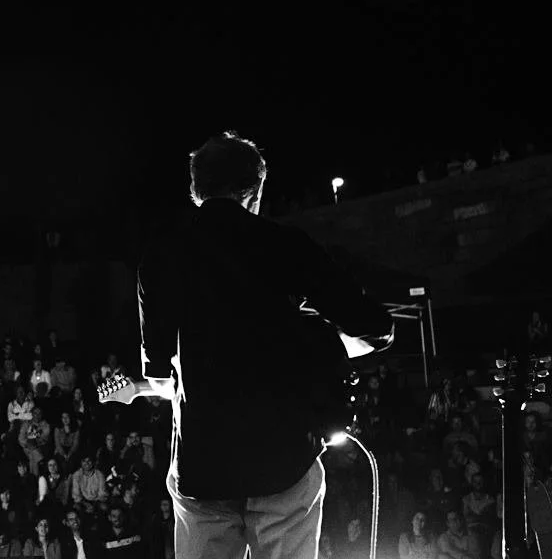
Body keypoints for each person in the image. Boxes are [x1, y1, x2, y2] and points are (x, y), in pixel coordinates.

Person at [135, 132, 395, 559]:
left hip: (202, 468)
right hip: (283, 462)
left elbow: (159, 372)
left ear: (195, 189)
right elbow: (376, 329)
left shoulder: (159, 257)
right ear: (254, 190)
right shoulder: (286, 245)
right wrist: (319, 346)